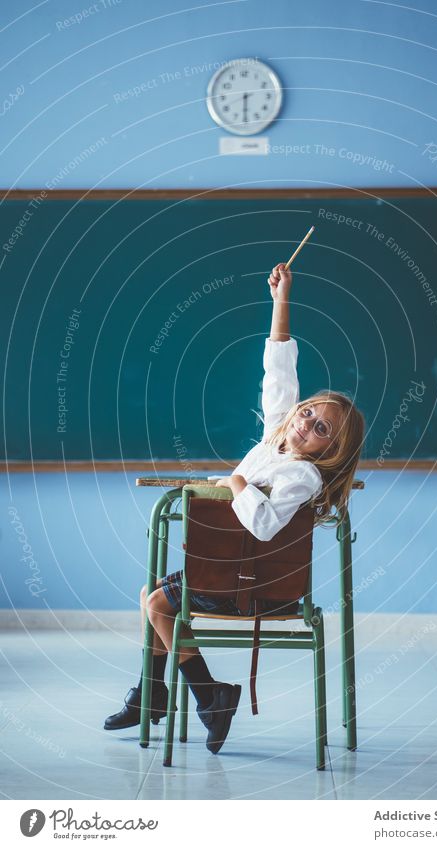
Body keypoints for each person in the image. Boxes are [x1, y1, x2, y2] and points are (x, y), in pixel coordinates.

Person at [104, 262, 365, 753]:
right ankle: (156, 695)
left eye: (321, 430)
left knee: (158, 601)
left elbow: (264, 526)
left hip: (254, 586)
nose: (305, 424)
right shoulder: (277, 443)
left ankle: (204, 695)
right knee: (154, 593)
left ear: (330, 452)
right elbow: (279, 372)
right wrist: (280, 300)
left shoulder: (302, 474)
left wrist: (238, 482)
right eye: (307, 413)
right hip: (232, 576)